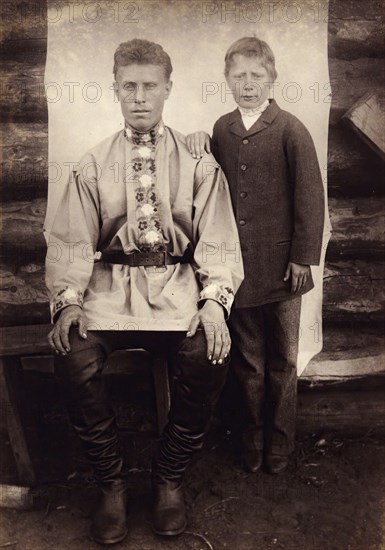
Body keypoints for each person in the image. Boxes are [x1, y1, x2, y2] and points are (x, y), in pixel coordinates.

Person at [45, 38, 243, 545]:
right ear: (114, 89)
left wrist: (214, 302)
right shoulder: (93, 163)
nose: (138, 97)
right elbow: (69, 240)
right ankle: (110, 484)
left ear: (167, 89)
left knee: (208, 352)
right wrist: (67, 301)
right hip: (110, 293)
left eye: (149, 86)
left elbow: (218, 240)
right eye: (128, 86)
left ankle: (169, 477)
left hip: (176, 291)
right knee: (74, 353)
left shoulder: (197, 162)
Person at [187, 37, 324, 475]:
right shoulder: (222, 127)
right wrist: (198, 140)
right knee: (248, 363)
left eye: (256, 76)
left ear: (272, 79)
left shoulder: (290, 129)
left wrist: (302, 258)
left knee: (283, 361)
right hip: (240, 270)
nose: (248, 85)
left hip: (286, 272)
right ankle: (250, 441)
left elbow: (310, 197)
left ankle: (280, 444)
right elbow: (210, 173)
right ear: (227, 79)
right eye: (239, 76)